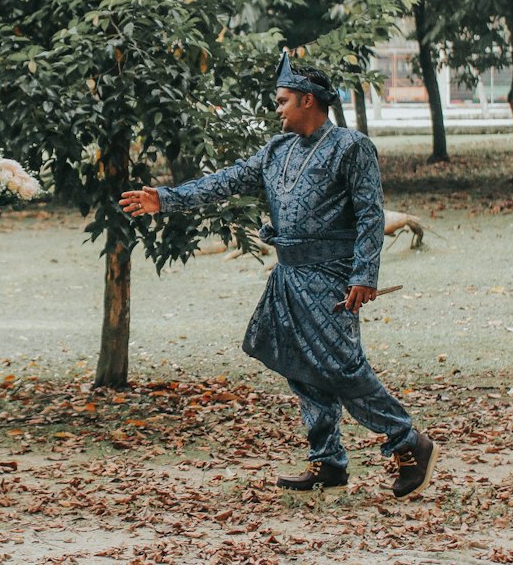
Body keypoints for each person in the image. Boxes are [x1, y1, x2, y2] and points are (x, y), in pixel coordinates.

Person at [120, 53, 439, 500]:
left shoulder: (351, 147)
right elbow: (226, 181)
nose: (278, 108)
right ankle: (327, 461)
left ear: (308, 100)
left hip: (332, 278)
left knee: (342, 368)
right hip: (288, 276)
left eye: (283, 100)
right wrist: (165, 199)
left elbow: (370, 215)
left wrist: (364, 275)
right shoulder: (276, 151)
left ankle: (408, 442)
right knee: (302, 369)